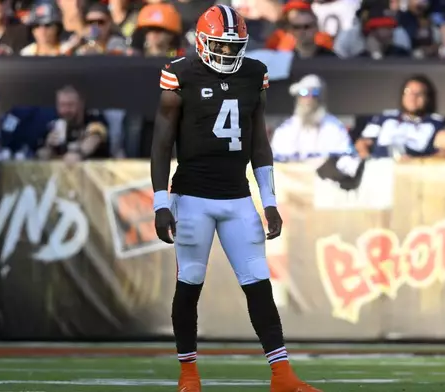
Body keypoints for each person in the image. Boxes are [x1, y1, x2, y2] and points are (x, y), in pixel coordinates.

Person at [150, 5, 321, 392]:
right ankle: (189, 375)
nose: (228, 55)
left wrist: (270, 199)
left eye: (234, 47)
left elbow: (259, 141)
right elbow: (161, 145)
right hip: (192, 196)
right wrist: (161, 202)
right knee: (190, 283)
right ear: (202, 42)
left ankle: (282, 375)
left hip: (237, 196)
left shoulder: (254, 73)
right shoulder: (180, 74)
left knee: (259, 283)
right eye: (221, 47)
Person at [354, 75, 445, 160]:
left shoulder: (436, 123)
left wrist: (417, 162)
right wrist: (368, 160)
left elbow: (443, 153)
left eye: (419, 93)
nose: (412, 97)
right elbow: (362, 142)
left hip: (414, 169)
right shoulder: (385, 117)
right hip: (380, 166)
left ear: (427, 98)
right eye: (408, 92)